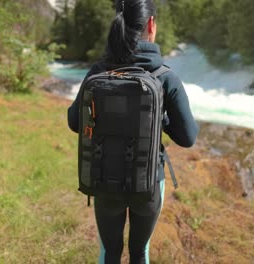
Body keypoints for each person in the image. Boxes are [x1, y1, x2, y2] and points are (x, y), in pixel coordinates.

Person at [67, 0, 198, 263]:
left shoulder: (99, 71)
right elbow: (188, 138)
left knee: (110, 252)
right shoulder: (165, 76)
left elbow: (74, 122)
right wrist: (159, 119)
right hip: (147, 184)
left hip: (104, 180)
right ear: (151, 24)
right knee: (140, 252)